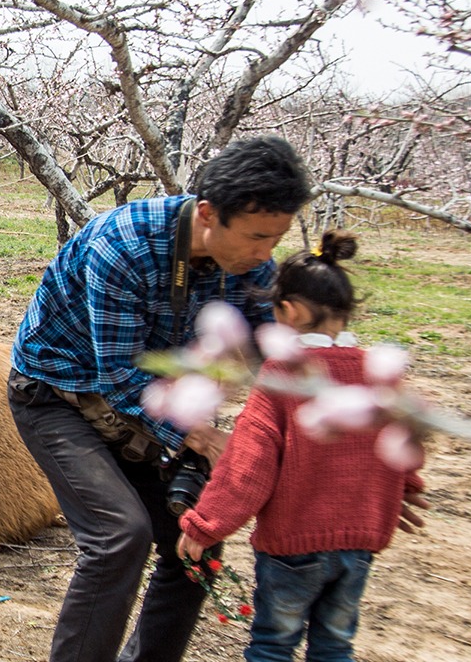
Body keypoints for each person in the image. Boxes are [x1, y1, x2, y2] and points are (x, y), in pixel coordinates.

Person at [7, 135, 312, 662]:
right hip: (56, 395)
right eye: (259, 238)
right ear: (211, 214)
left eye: (276, 239)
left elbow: (277, 364)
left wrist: (348, 453)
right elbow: (123, 377)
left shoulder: (250, 266)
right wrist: (202, 437)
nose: (267, 256)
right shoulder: (122, 244)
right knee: (119, 535)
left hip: (151, 407)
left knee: (197, 535)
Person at [177, 230, 426, 662]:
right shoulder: (378, 373)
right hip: (360, 545)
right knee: (335, 644)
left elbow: (247, 468)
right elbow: (403, 445)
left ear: (287, 311)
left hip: (293, 548)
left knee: (274, 644)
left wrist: (205, 525)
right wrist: (404, 488)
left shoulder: (283, 377)